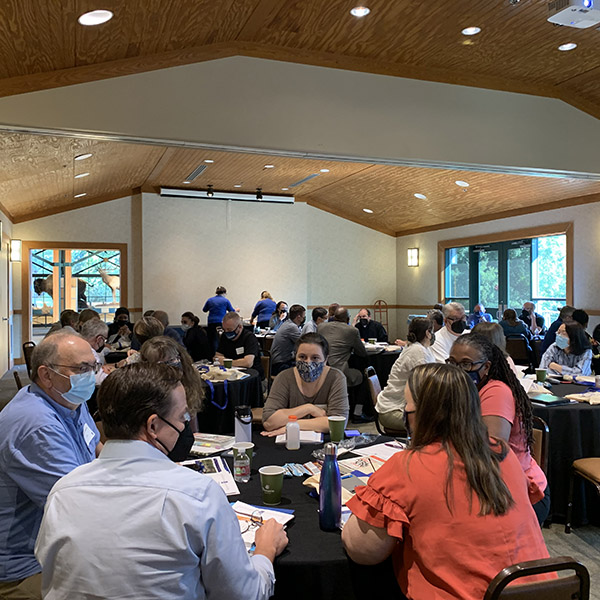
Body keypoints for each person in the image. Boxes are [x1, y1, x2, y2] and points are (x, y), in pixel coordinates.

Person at [35, 363, 288, 600]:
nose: (185, 425)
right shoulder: (198, 495)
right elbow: (243, 594)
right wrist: (265, 552)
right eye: (182, 418)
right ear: (153, 426)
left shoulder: (62, 492)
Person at [342, 363, 552, 600]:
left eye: (408, 407)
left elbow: (363, 550)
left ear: (424, 414)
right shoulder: (504, 454)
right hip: (545, 591)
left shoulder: (407, 467)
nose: (405, 412)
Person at [0, 332, 101, 597]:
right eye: (82, 369)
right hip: (25, 566)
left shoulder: (69, 401)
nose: (91, 376)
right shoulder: (37, 425)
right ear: (46, 375)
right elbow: (79, 506)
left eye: (94, 366)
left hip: (55, 545)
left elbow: (97, 448)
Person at [448, 334, 549, 524]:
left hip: (520, 491)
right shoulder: (467, 389)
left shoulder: (496, 392)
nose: (458, 370)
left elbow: (494, 451)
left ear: (486, 367)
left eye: (466, 364)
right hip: (491, 483)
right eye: (452, 362)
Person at [262, 333, 349, 436]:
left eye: (315, 358)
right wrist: (308, 408)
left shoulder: (336, 378)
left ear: (325, 360)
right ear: (295, 357)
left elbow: (338, 423)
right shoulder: (284, 377)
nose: (308, 362)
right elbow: (269, 421)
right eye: (302, 357)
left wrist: (292, 425)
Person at [375, 317, 435, 432]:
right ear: (427, 333)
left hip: (398, 407)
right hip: (393, 411)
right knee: (436, 425)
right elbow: (425, 385)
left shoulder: (420, 348)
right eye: (431, 331)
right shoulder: (417, 352)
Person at [140, 336, 204, 418]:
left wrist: (192, 429)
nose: (170, 367)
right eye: (161, 364)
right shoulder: (147, 394)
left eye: (172, 360)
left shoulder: (187, 380)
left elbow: (189, 416)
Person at [318, 307, 368, 387]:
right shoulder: (352, 331)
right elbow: (362, 353)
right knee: (361, 374)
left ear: (334, 317)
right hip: (340, 372)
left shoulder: (320, 327)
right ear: (348, 319)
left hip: (321, 371)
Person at [215, 312, 264, 379]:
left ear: (240, 327)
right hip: (231, 375)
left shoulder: (249, 337)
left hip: (252, 378)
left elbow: (248, 363)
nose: (226, 332)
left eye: (229, 330)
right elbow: (217, 356)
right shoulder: (224, 336)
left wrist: (226, 362)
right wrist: (239, 362)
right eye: (224, 329)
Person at [269, 304, 306, 376]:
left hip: (277, 361)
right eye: (303, 315)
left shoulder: (287, 323)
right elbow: (303, 344)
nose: (304, 317)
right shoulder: (292, 327)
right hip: (281, 364)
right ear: (299, 317)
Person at [80, 317, 112, 385]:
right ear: (99, 339)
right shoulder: (90, 353)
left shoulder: (76, 346)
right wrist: (114, 372)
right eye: (104, 340)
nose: (104, 343)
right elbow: (100, 379)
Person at [203, 286, 235, 352]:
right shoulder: (225, 301)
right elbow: (231, 311)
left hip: (211, 322)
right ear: (224, 293)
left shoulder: (210, 300)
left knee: (211, 340)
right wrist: (236, 310)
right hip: (221, 322)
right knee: (220, 339)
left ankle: (212, 356)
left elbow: (204, 310)